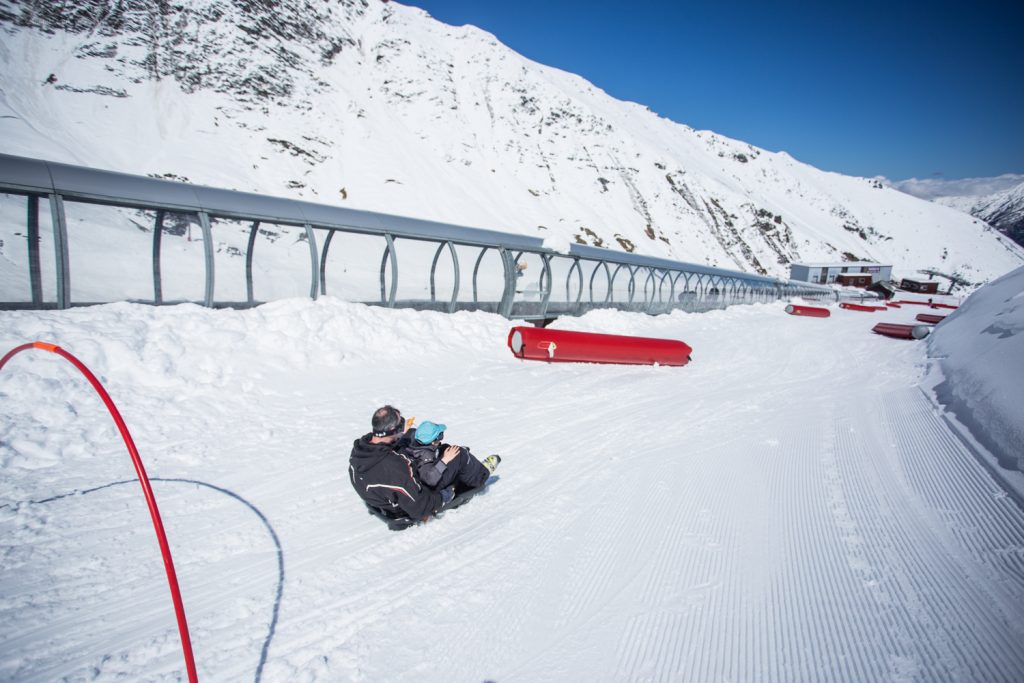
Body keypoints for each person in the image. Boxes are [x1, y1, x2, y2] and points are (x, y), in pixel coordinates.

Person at [349, 405, 499, 522]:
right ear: (393, 430)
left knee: (418, 439)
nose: (404, 424)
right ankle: (481, 475)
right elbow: (420, 507)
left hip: (382, 497)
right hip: (405, 504)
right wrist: (447, 494)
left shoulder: (361, 448)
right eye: (401, 423)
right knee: (458, 454)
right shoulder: (395, 468)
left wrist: (402, 432)